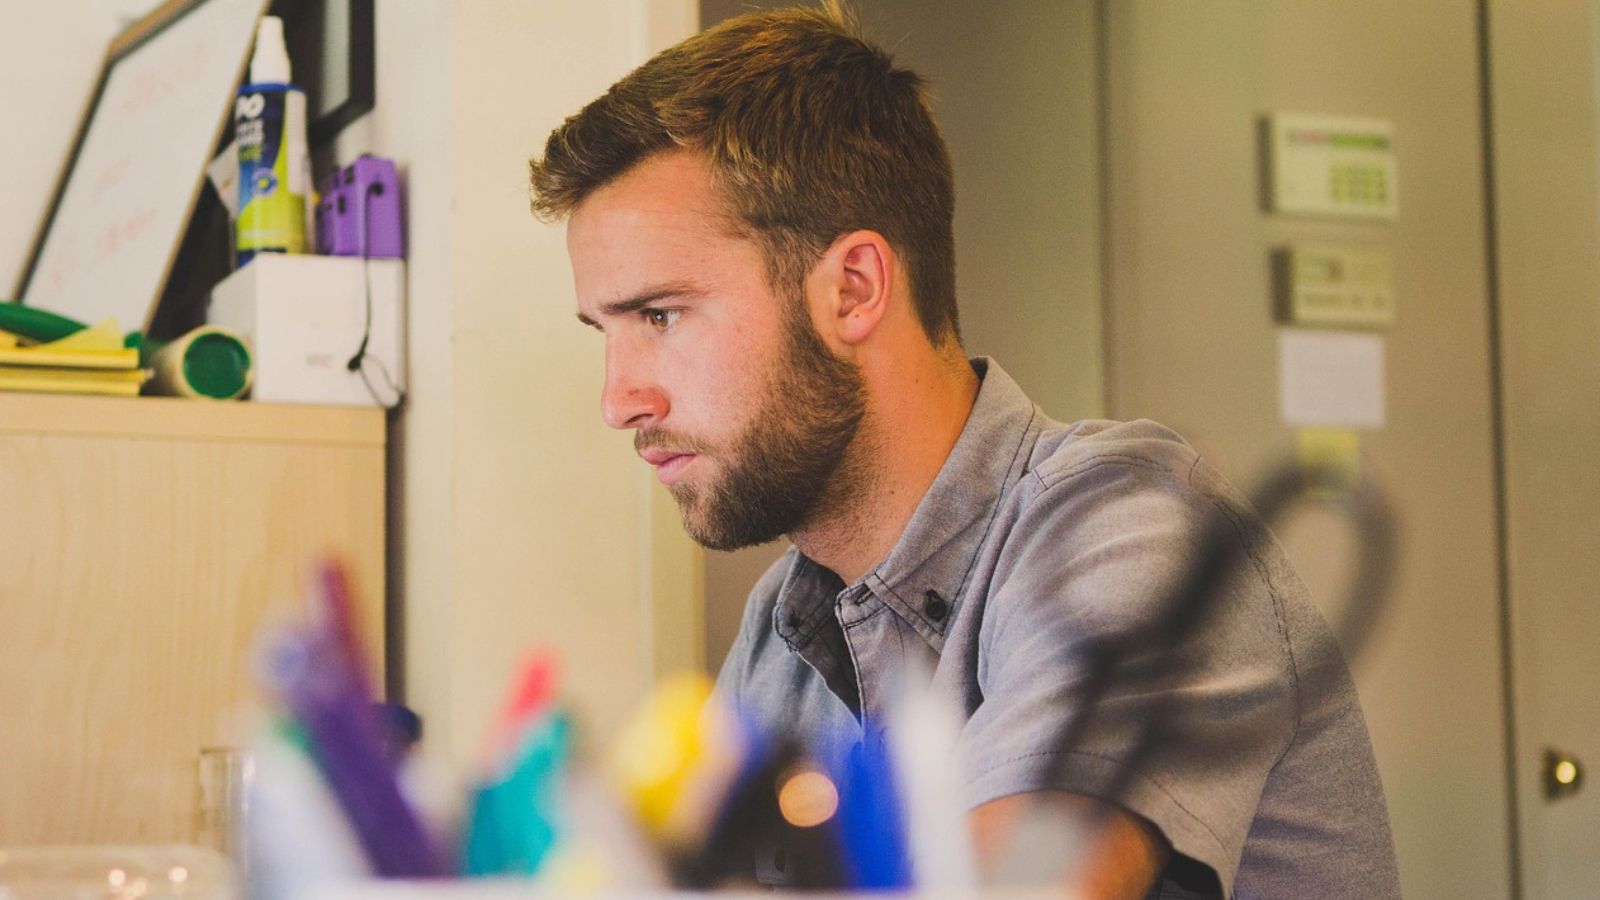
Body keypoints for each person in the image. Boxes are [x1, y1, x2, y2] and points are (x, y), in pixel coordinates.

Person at [528, 4, 1400, 898]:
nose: (618, 400)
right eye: (606, 329)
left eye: (660, 317)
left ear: (854, 289)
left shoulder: (1132, 526)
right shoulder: (782, 631)